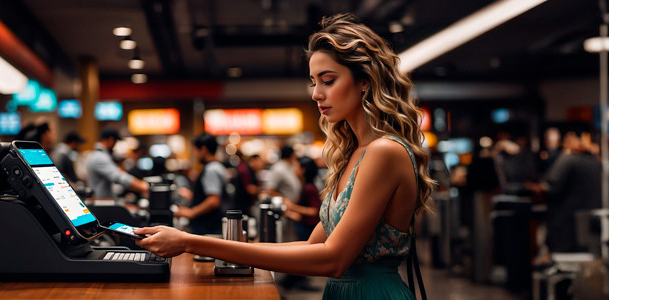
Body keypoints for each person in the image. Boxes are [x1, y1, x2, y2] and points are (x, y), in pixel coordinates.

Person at [134, 13, 435, 299]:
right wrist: (207, 245)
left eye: (328, 80)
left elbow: (333, 259)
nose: (316, 93)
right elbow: (310, 247)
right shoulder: (354, 155)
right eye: (313, 81)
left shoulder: (384, 151)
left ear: (364, 80)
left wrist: (191, 242)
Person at [278, 156, 325, 291]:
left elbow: (314, 211)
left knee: (300, 257)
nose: (294, 169)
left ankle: (295, 282)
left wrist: (292, 206)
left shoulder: (309, 188)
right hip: (304, 225)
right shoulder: (307, 185)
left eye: (296, 166)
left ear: (303, 170)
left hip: (308, 227)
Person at [179, 134, 229, 235]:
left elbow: (214, 200)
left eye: (195, 151)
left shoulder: (211, 169)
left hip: (208, 227)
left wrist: (191, 212)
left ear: (204, 149)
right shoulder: (218, 166)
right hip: (212, 225)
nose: (195, 155)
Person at [85, 128, 151, 200]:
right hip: (101, 203)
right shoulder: (100, 158)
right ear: (111, 140)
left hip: (102, 200)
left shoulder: (97, 155)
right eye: (116, 142)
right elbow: (119, 177)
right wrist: (143, 186)